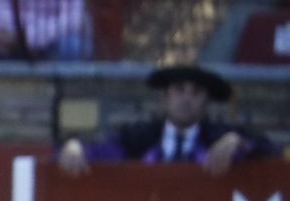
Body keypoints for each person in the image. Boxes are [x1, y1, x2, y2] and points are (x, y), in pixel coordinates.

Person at [57, 65, 279, 178]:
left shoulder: (219, 136)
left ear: (207, 103)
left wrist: (239, 142)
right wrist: (74, 146)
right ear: (166, 98)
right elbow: (96, 151)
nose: (186, 99)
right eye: (179, 90)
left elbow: (273, 153)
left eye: (196, 93)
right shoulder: (140, 137)